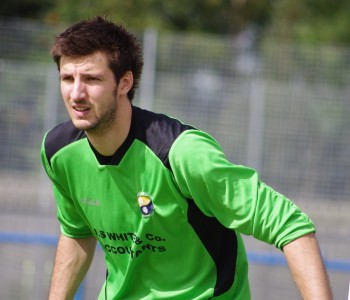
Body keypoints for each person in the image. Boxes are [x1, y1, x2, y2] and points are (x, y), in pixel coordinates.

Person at [41, 16, 333, 300]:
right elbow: (76, 233)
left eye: (91, 79)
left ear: (124, 83)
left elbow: (291, 226)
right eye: (67, 78)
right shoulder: (59, 152)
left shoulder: (181, 153)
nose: (76, 93)